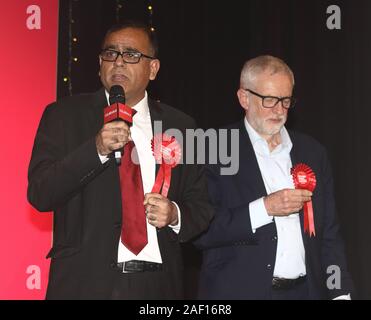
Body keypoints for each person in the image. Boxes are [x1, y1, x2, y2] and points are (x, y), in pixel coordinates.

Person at [27, 21, 213, 299]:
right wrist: (96, 149)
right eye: (110, 54)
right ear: (99, 63)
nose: (118, 62)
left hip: (157, 286)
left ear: (153, 68)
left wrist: (174, 214)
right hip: (84, 283)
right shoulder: (64, 116)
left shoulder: (182, 126)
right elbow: (41, 193)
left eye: (131, 55)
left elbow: (201, 206)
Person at [196, 55, 354, 300]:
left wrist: (341, 293)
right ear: (244, 98)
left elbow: (329, 233)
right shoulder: (214, 147)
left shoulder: (313, 152)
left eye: (286, 100)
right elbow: (200, 231)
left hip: (305, 292)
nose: (279, 110)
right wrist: (264, 208)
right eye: (269, 100)